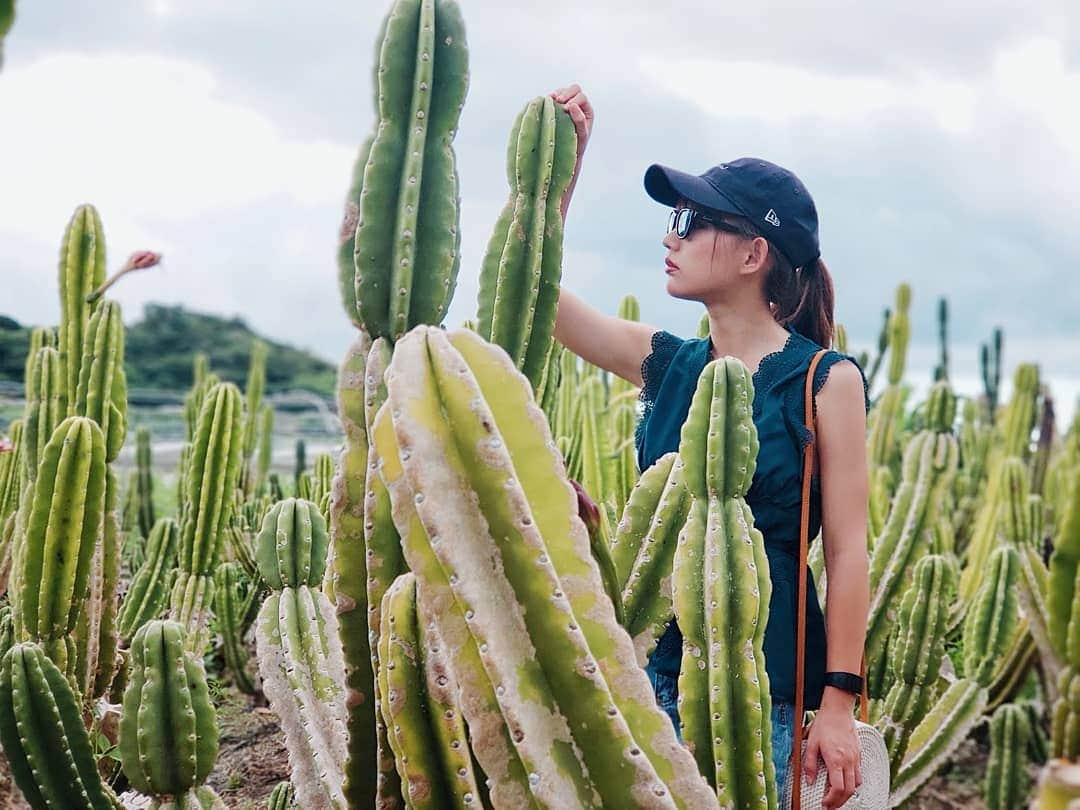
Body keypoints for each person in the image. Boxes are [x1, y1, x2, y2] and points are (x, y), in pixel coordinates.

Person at [549, 83, 870, 809]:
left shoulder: (825, 379)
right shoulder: (667, 361)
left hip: (768, 689)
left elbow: (849, 550)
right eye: (674, 220)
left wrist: (841, 703)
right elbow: (540, 296)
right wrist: (559, 177)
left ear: (755, 252)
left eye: (692, 222)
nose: (672, 236)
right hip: (650, 671)